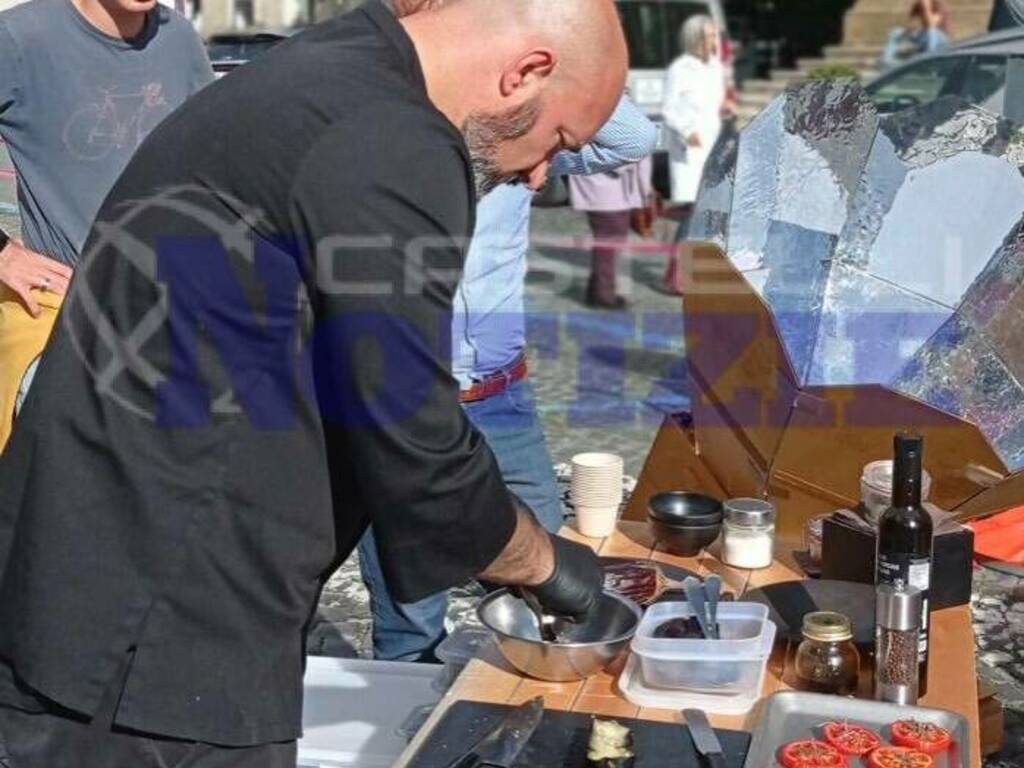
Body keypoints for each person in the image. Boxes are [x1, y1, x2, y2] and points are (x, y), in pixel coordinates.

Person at [0, 0, 628, 765]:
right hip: (153, 625)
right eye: (557, 141)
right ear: (525, 71)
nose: (537, 174)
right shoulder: (393, 138)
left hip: (100, 569)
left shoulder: (334, 66)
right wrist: (555, 569)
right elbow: (414, 437)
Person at [359, 92, 657, 662]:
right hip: (407, 406)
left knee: (548, 572)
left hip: (502, 396)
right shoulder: (390, 140)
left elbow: (631, 139)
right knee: (410, 614)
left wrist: (545, 61)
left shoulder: (524, 141)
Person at [0, 0, 213, 453]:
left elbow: (218, 165)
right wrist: (2, 251)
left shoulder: (179, 40)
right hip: (61, 309)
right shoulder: (20, 38)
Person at [660, 14, 727, 293]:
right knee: (691, 216)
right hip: (689, 150)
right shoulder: (680, 68)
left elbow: (714, 105)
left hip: (713, 147)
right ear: (695, 38)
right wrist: (688, 131)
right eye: (710, 35)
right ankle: (676, 277)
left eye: (715, 35)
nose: (715, 41)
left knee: (707, 215)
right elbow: (668, 110)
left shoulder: (714, 67)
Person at [569, 154, 653, 309]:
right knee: (610, 246)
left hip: (608, 187)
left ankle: (597, 291)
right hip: (606, 188)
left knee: (608, 245)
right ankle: (604, 296)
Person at [882, 0, 950, 70]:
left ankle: (925, 62)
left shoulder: (937, 8)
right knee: (896, 32)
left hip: (935, 48)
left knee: (931, 33)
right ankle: (887, 63)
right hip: (922, 40)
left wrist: (926, 7)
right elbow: (910, 24)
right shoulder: (919, 6)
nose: (923, 15)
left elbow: (931, 26)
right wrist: (908, 30)